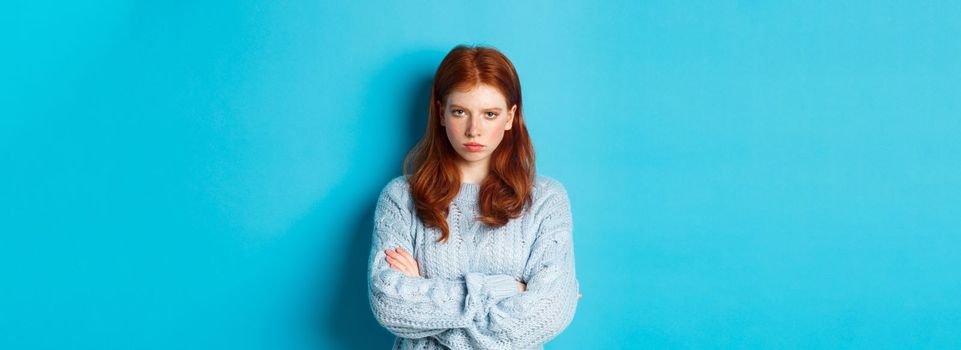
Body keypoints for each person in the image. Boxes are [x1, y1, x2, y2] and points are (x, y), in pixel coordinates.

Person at [367, 45, 581, 350]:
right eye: (460, 112)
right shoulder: (401, 198)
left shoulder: (546, 200)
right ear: (441, 113)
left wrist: (425, 297)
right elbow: (389, 304)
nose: (474, 130)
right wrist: (505, 288)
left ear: (510, 117)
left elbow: (547, 313)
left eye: (490, 114)